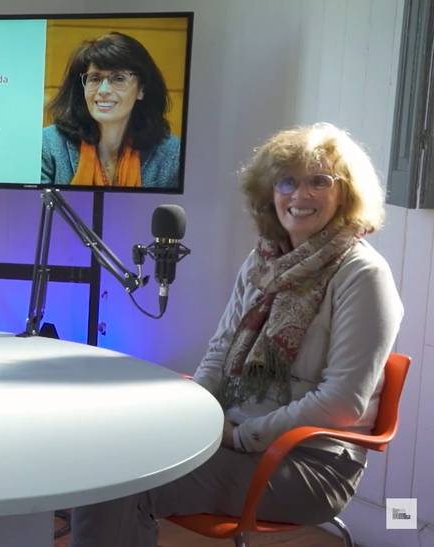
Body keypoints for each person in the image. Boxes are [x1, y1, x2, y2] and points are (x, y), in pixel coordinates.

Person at [70, 122, 403, 546]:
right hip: (232, 436)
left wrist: (244, 435)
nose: (300, 196)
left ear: (346, 194)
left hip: (306, 462)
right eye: (287, 182)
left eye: (319, 181)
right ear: (269, 193)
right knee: (109, 452)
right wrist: (195, 417)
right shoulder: (264, 260)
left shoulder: (363, 274)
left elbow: (342, 402)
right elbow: (219, 351)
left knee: (120, 485)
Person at [41, 32, 180, 188]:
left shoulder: (172, 154)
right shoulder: (48, 145)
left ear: (142, 89)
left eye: (119, 78)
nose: (104, 90)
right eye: (95, 78)